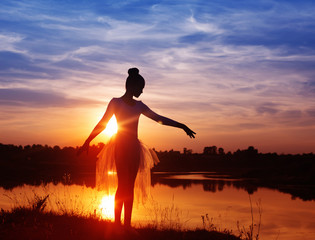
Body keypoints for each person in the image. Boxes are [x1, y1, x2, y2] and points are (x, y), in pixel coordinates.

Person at [78, 68, 196, 227]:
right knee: (122, 185)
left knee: (130, 187)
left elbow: (158, 119)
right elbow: (103, 124)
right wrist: (87, 141)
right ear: (132, 86)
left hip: (134, 148)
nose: (142, 91)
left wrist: (181, 125)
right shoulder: (116, 102)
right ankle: (117, 224)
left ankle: (126, 225)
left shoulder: (139, 106)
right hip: (120, 147)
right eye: (141, 88)